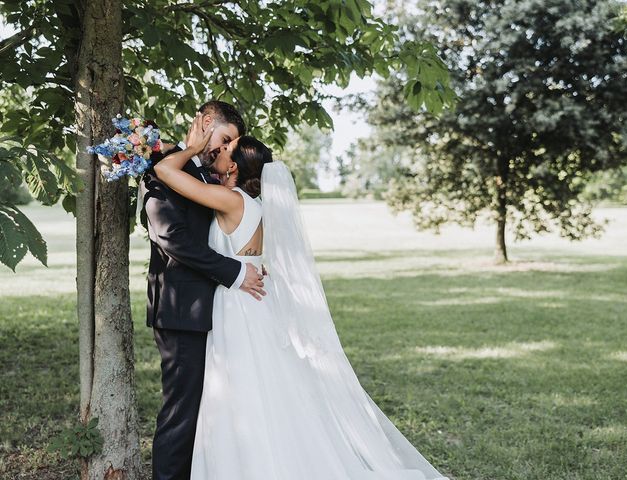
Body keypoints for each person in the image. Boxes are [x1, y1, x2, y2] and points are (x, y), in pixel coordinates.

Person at [153, 112, 450, 480]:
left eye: (229, 148)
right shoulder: (257, 207)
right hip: (254, 304)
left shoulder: (231, 201)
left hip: (236, 306)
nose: (221, 151)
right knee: (262, 392)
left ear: (237, 168)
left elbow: (165, 173)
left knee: (238, 393)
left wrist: (190, 149)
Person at [140, 101, 266, 480]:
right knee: (181, 415)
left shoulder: (213, 177)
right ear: (206, 122)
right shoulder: (162, 165)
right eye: (224, 138)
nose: (223, 149)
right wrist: (235, 272)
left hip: (215, 312)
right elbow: (170, 237)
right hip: (180, 311)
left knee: (206, 412)